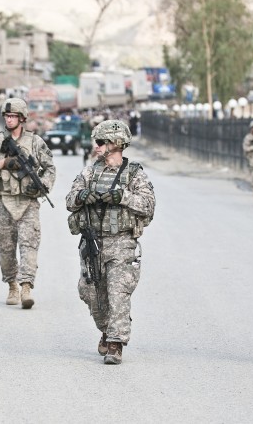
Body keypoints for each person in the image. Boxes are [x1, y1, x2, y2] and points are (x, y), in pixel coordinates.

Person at [66, 120, 156, 365]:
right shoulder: (89, 172)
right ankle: (106, 330)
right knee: (90, 292)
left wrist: (122, 196)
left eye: (101, 142)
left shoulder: (134, 174)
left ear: (115, 144)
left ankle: (116, 343)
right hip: (93, 242)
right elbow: (69, 200)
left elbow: (148, 206)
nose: (96, 146)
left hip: (122, 242)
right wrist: (82, 196)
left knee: (117, 291)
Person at [0, 98, 56, 309]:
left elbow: (50, 169)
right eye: (7, 116)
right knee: (5, 247)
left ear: (22, 118)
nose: (9, 119)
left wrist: (43, 186)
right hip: (4, 201)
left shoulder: (36, 142)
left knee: (29, 244)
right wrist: (3, 163)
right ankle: (12, 285)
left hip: (28, 202)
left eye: (13, 116)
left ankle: (26, 287)